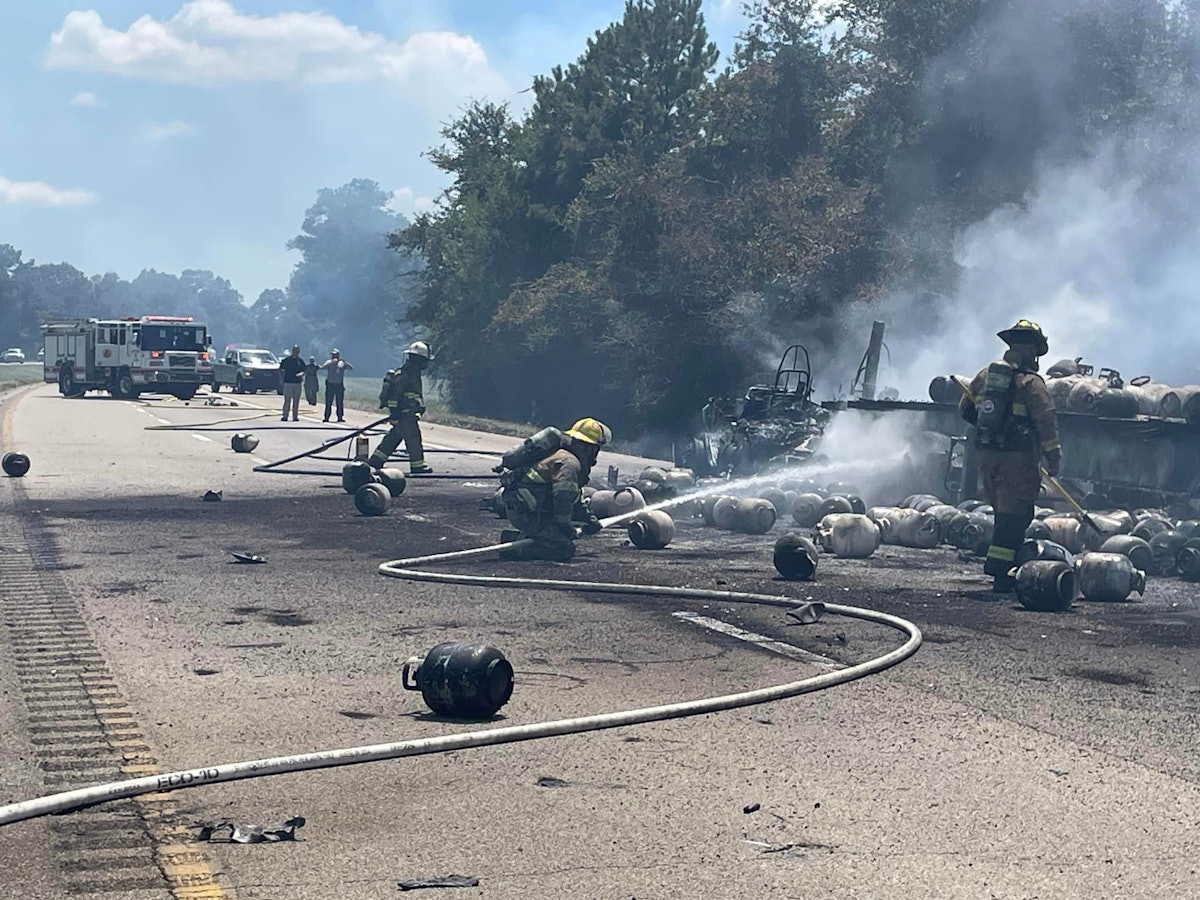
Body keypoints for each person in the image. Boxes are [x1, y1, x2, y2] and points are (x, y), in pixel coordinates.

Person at [959, 319, 1061, 593]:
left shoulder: (984, 376)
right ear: (1031, 350)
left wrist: (992, 432)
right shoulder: (1032, 383)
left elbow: (965, 409)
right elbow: (1046, 422)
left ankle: (1002, 566)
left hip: (987, 455)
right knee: (1016, 515)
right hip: (1018, 459)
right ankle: (999, 570)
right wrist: (1054, 457)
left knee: (1003, 512)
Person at [497, 418, 611, 561]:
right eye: (597, 449)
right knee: (563, 549)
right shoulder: (570, 464)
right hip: (526, 515)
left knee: (560, 537)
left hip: (530, 509)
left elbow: (573, 497)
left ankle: (534, 537)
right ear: (590, 448)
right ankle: (512, 545)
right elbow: (563, 500)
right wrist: (567, 530)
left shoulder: (565, 456)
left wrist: (589, 520)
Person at [368, 341, 434, 474]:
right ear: (419, 359)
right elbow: (394, 394)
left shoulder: (411, 373)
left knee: (394, 437)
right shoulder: (404, 374)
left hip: (405, 413)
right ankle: (417, 466)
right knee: (413, 438)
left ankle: (376, 460)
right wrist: (395, 412)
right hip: (404, 414)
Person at [320, 348, 353, 422]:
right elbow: (323, 367)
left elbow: (351, 368)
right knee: (328, 402)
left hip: (339, 385)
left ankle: (340, 417)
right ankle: (326, 417)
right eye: (333, 355)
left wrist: (344, 361)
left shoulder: (341, 363)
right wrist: (332, 362)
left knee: (339, 402)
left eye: (335, 355)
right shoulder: (329, 362)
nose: (334, 356)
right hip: (330, 385)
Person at [278, 345, 306, 422]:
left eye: (297, 351)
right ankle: (285, 415)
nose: (296, 353)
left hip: (297, 383)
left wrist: (301, 374)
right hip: (288, 382)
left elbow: (304, 370)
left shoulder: (300, 361)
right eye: (295, 351)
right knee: (287, 400)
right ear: (292, 351)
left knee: (296, 400)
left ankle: (295, 416)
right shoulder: (287, 360)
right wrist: (281, 380)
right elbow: (280, 370)